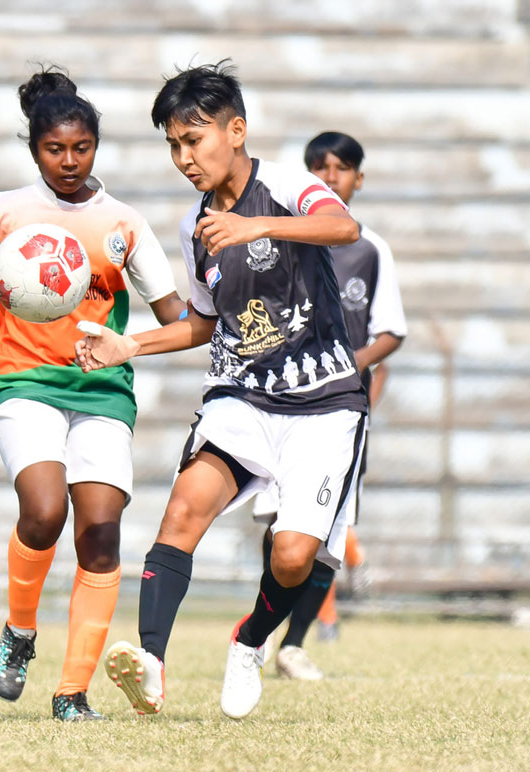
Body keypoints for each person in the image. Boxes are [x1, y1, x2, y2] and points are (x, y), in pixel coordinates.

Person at [75, 61, 368, 720]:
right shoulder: (194, 225)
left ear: (236, 131)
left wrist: (258, 226)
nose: (184, 157)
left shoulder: (289, 185)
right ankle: (150, 665)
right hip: (241, 395)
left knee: (292, 558)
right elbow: (204, 325)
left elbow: (342, 228)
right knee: (182, 512)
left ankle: (250, 641)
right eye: (174, 144)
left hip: (323, 401)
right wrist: (131, 346)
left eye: (195, 139)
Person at [0, 67, 185, 721]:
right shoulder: (5, 211)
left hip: (103, 392)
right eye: (55, 149)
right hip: (24, 384)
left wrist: (140, 337)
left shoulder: (123, 223)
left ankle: (71, 693)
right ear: (34, 149)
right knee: (44, 512)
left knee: (102, 536)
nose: (69, 161)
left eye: (81, 148)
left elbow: (174, 316)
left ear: (96, 147)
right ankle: (19, 633)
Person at [267, 131, 407, 680]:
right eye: (319, 167)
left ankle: (293, 643)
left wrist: (352, 370)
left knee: (326, 528)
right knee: (277, 525)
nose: (330, 177)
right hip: (277, 401)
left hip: (340, 410)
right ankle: (263, 628)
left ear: (358, 178)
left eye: (341, 168)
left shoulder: (371, 249)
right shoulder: (278, 240)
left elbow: (390, 331)